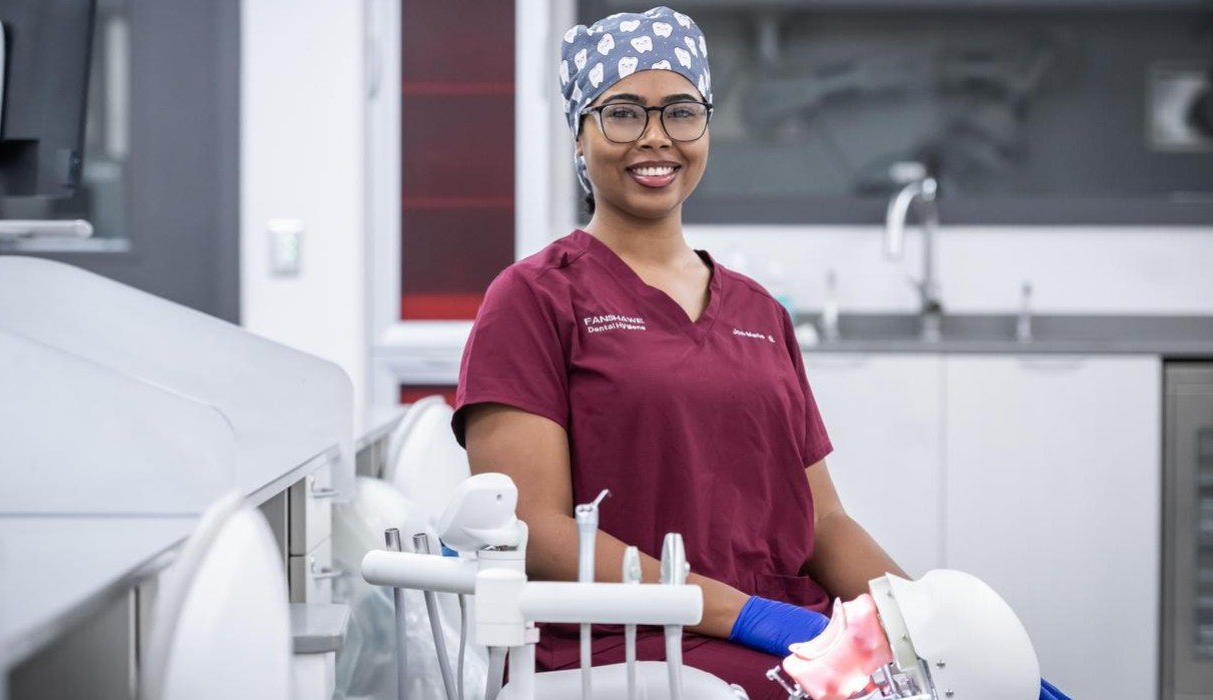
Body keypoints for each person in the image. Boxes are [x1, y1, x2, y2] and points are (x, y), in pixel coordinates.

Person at [451, 7, 1067, 699]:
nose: (655, 138)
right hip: (625, 645)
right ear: (579, 133)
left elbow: (822, 523)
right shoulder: (534, 298)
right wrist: (743, 613)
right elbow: (534, 529)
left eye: (681, 112)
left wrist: (927, 627)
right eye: (623, 112)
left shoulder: (758, 312)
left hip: (784, 635)